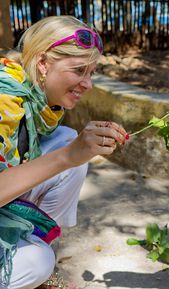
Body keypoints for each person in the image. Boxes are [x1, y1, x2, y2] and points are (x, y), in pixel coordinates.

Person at [0, 16, 128, 288]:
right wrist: (68, 156)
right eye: (79, 70)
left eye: (91, 73)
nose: (88, 84)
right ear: (43, 63)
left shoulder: (33, 99)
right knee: (36, 262)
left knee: (65, 138)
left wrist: (73, 152)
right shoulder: (3, 100)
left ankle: (33, 239)